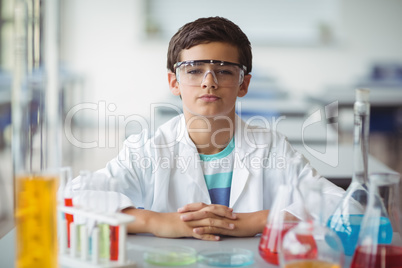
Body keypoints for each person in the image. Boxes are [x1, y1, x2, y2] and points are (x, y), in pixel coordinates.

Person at [83, 16, 345, 241]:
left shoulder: (270, 148)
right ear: (174, 82)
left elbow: (342, 205)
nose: (209, 82)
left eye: (224, 71)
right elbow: (76, 197)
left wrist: (262, 220)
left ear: (243, 84)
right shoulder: (148, 150)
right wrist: (156, 222)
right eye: (194, 70)